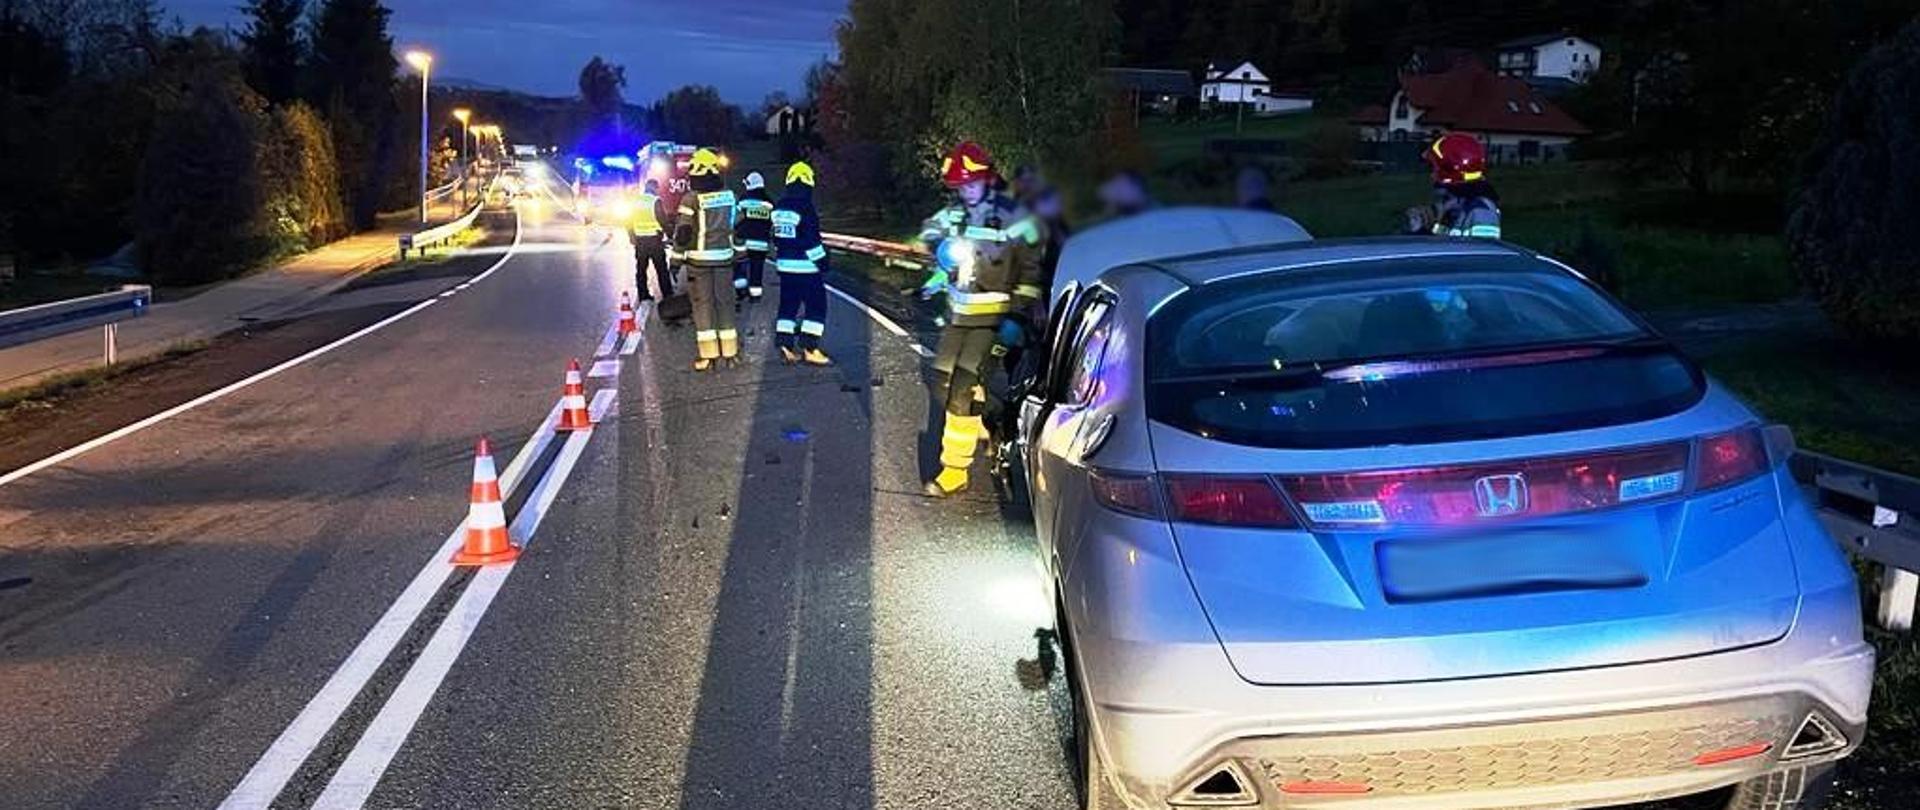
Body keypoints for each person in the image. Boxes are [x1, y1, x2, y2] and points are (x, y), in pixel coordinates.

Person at [917, 141, 1046, 497]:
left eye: (971, 184)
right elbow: (928, 230)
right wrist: (938, 247)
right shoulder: (956, 213)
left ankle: (955, 469)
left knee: (963, 386)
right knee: (942, 381)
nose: (967, 192)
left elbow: (1031, 271)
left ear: (987, 179)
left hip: (995, 320)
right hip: (959, 316)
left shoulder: (1016, 216)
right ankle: (994, 419)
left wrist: (1017, 317)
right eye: (961, 187)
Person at [672, 148, 740, 370]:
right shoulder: (730, 196)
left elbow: (683, 234)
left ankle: (708, 356)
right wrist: (739, 253)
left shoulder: (691, 199)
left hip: (699, 263)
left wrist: (675, 261)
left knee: (703, 306)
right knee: (725, 304)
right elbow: (738, 227)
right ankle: (730, 353)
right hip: (724, 260)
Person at [770, 161, 832, 366]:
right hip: (806, 268)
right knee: (817, 306)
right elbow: (811, 241)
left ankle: (785, 345)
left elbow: (777, 238)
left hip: (784, 267)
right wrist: (823, 262)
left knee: (787, 306)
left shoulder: (779, 206)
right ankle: (810, 348)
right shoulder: (806, 207)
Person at [1410, 132, 1503, 239]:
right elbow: (1441, 243)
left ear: (1450, 170)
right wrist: (1421, 229)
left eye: (1433, 168)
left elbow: (1482, 248)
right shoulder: (1455, 203)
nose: (1432, 175)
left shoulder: (1481, 212)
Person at [733, 171, 774, 306]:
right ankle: (755, 295)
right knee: (757, 269)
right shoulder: (769, 202)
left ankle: (740, 291)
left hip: (743, 242)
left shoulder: (743, 200)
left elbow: (735, 219)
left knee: (739, 266)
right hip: (761, 243)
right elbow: (772, 222)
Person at [630, 178, 673, 302]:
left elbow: (628, 221)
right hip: (654, 241)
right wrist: (670, 235)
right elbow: (662, 220)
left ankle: (643, 294)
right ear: (654, 188)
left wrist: (632, 237)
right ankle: (667, 295)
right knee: (661, 269)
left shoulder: (636, 201)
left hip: (640, 241)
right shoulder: (655, 201)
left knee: (641, 269)